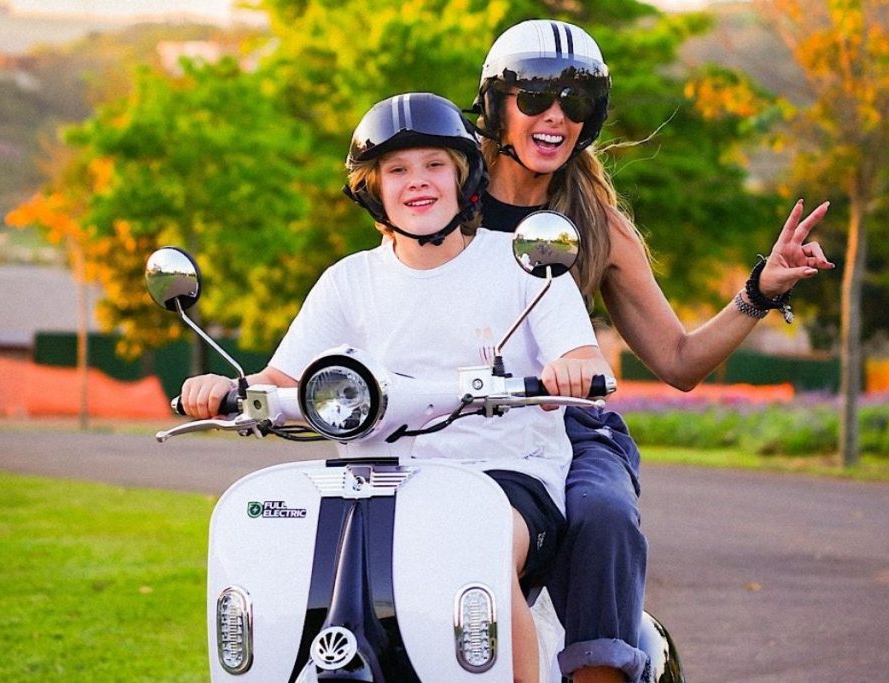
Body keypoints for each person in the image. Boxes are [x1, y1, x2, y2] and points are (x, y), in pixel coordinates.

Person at [178, 91, 613, 683]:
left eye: (435, 165)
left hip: (504, 477)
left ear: (463, 178)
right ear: (373, 188)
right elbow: (280, 381)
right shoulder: (348, 281)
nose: (418, 182)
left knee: (477, 545)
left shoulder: (522, 266)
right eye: (397, 170)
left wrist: (570, 368)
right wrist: (226, 389)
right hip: (370, 482)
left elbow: (582, 358)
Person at [469, 19, 835, 683]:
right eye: (536, 98)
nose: (556, 117)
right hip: (453, 416)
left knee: (603, 510)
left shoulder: (596, 222)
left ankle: (601, 672)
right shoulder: (444, 203)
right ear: (497, 106)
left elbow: (679, 359)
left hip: (566, 422)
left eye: (576, 103)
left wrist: (757, 291)